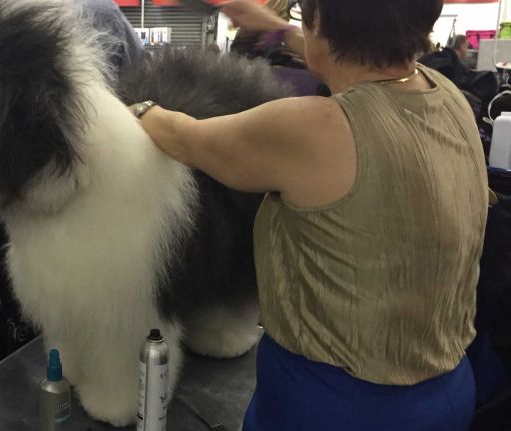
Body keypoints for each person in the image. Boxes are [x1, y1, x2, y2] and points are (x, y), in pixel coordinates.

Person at [135, 0, 488, 429]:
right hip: (450, 387)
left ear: (322, 20)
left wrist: (132, 108)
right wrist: (278, 28)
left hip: (335, 404)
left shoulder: (315, 129)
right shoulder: (448, 96)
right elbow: (359, 53)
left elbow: (180, 136)